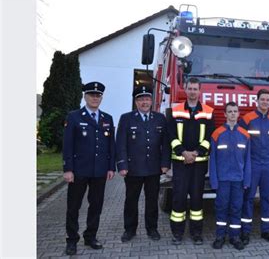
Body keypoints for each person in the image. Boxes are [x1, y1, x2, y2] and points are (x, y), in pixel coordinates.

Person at [62, 81, 115, 255]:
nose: (95, 98)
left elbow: (111, 146)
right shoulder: (74, 116)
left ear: (101, 98)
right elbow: (67, 145)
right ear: (85, 96)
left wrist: (111, 167)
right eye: (91, 95)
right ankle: (72, 240)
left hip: (99, 171)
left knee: (96, 206)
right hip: (79, 171)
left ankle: (90, 236)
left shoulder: (107, 118)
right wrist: (68, 169)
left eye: (98, 95)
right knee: (73, 207)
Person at [116, 85, 171, 243]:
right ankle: (129, 230)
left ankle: (152, 229)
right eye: (141, 99)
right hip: (133, 168)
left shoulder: (160, 118)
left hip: (154, 168)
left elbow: (166, 144)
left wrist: (165, 163)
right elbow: (121, 144)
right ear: (136, 102)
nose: (144, 102)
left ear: (152, 101)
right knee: (131, 200)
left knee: (152, 201)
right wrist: (122, 165)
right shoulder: (126, 118)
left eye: (147, 99)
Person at [168, 77, 215, 245]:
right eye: (190, 88)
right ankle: (177, 233)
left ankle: (196, 233)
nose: (193, 91)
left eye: (196, 89)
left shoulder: (208, 111)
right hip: (180, 163)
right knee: (178, 198)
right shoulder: (175, 111)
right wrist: (183, 153)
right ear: (185, 90)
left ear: (199, 91)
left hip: (199, 163)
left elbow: (209, 137)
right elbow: (171, 136)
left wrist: (195, 153)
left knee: (196, 198)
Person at [239, 89, 269, 244]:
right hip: (252, 164)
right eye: (262, 99)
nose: (265, 102)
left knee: (267, 199)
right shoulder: (247, 119)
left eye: (267, 99)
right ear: (256, 101)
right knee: (248, 198)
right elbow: (241, 142)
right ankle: (245, 232)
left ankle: (267, 231)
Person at [209, 102, 251, 250]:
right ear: (225, 114)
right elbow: (212, 160)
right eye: (230, 111)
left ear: (238, 114)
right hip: (223, 180)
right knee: (221, 208)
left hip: (238, 181)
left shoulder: (245, 135)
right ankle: (220, 236)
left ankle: (234, 236)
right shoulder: (217, 134)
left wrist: (247, 180)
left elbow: (248, 160)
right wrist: (214, 181)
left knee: (236, 208)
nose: (233, 114)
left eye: (235, 111)